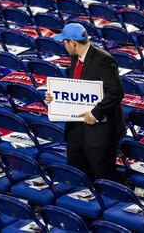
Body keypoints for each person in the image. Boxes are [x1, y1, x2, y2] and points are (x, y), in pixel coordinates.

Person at [45, 23, 125, 181]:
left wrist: (95, 114)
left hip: (100, 132)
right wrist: (56, 98)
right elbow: (77, 88)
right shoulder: (75, 57)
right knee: (78, 177)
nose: (63, 45)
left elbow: (116, 92)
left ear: (73, 43)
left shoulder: (104, 60)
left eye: (64, 42)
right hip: (76, 129)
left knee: (104, 178)